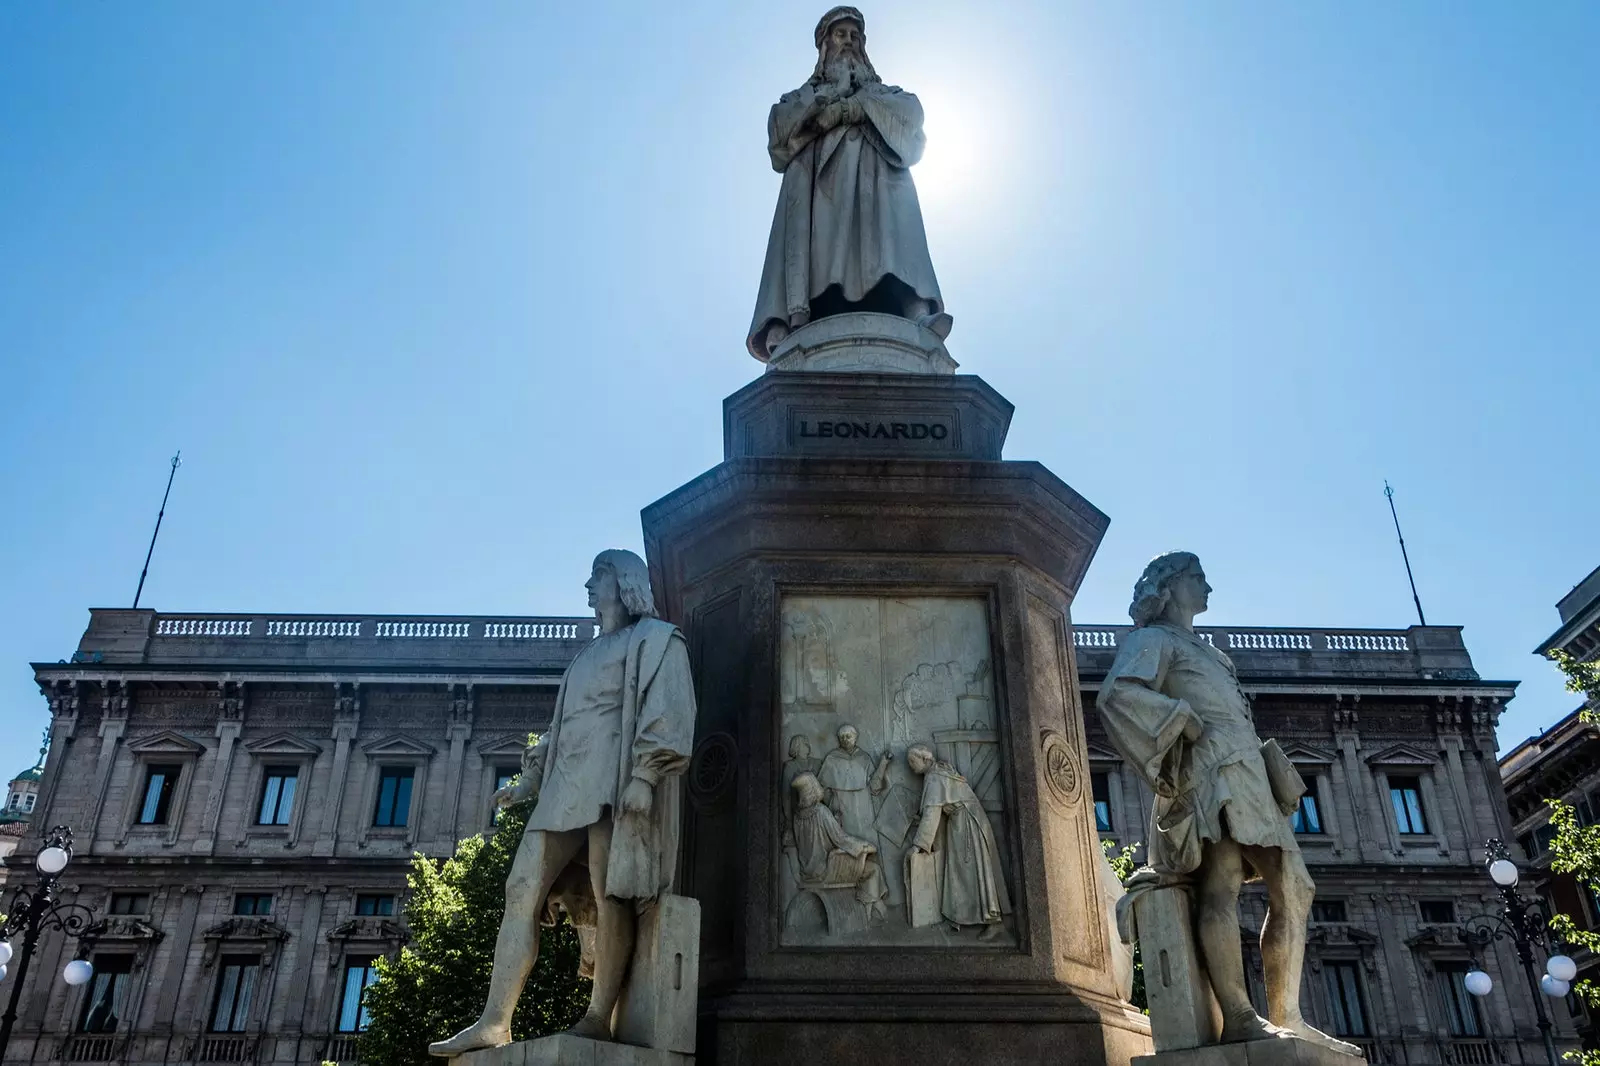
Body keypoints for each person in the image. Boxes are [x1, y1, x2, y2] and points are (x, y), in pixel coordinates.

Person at [428, 550, 696, 1055]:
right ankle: (494, 1020)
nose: (589, 585)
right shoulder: (584, 656)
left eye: (599, 575)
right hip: (564, 785)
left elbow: (669, 709)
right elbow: (564, 725)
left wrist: (644, 775)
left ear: (625, 583)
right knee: (520, 889)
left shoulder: (658, 642)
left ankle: (598, 1017)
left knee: (609, 890)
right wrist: (529, 781)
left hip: (612, 784)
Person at [1097, 552, 1353, 1053]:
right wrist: (1177, 715)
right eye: (1197, 576)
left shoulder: (1214, 654)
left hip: (1248, 772)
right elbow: (1116, 694)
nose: (1208, 584)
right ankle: (1239, 1014)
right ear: (1169, 588)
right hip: (1212, 773)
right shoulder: (1153, 641)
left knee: (1295, 888)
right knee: (1222, 888)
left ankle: (1286, 1014)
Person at [747, 6, 949, 360]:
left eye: (855, 36)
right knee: (806, 219)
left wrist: (853, 109)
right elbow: (779, 135)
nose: (849, 43)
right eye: (841, 35)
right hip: (819, 188)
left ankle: (916, 308)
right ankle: (789, 318)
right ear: (825, 45)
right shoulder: (800, 97)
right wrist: (827, 101)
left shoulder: (885, 93)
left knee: (898, 201)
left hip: (877, 187)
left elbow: (911, 116)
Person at [905, 743, 1010, 937]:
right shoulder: (942, 770)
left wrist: (917, 845)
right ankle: (958, 918)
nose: (911, 766)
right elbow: (940, 806)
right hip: (963, 823)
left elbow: (932, 814)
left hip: (967, 825)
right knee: (960, 873)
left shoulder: (934, 777)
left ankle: (994, 921)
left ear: (925, 759)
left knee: (973, 873)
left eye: (912, 761)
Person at [789, 771, 887, 922]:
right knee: (874, 869)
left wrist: (832, 821)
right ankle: (871, 909)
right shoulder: (821, 811)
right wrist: (865, 846)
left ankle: (873, 906)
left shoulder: (797, 816)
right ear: (814, 788)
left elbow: (811, 841)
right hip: (826, 869)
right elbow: (841, 839)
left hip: (808, 871)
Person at [816, 724, 890, 839]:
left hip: (864, 807)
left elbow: (874, 787)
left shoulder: (864, 757)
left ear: (855, 737)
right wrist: (832, 805)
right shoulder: (831, 759)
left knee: (867, 842)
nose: (845, 740)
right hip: (841, 806)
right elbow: (822, 788)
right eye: (842, 737)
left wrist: (883, 764)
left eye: (848, 736)